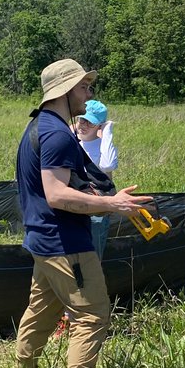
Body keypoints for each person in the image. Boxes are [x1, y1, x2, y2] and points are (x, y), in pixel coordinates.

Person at [14, 59, 152, 368]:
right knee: (92, 314)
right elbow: (57, 195)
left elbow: (59, 186)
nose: (89, 94)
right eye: (84, 87)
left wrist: (108, 195)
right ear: (65, 91)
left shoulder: (40, 127)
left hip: (44, 241)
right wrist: (112, 205)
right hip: (65, 243)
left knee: (41, 311)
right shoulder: (57, 134)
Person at [73, 99, 118, 258]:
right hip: (75, 203)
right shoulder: (71, 139)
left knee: (92, 256)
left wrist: (107, 133)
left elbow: (108, 165)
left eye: (90, 123)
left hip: (97, 208)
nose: (83, 125)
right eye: (81, 119)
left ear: (100, 125)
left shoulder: (102, 145)